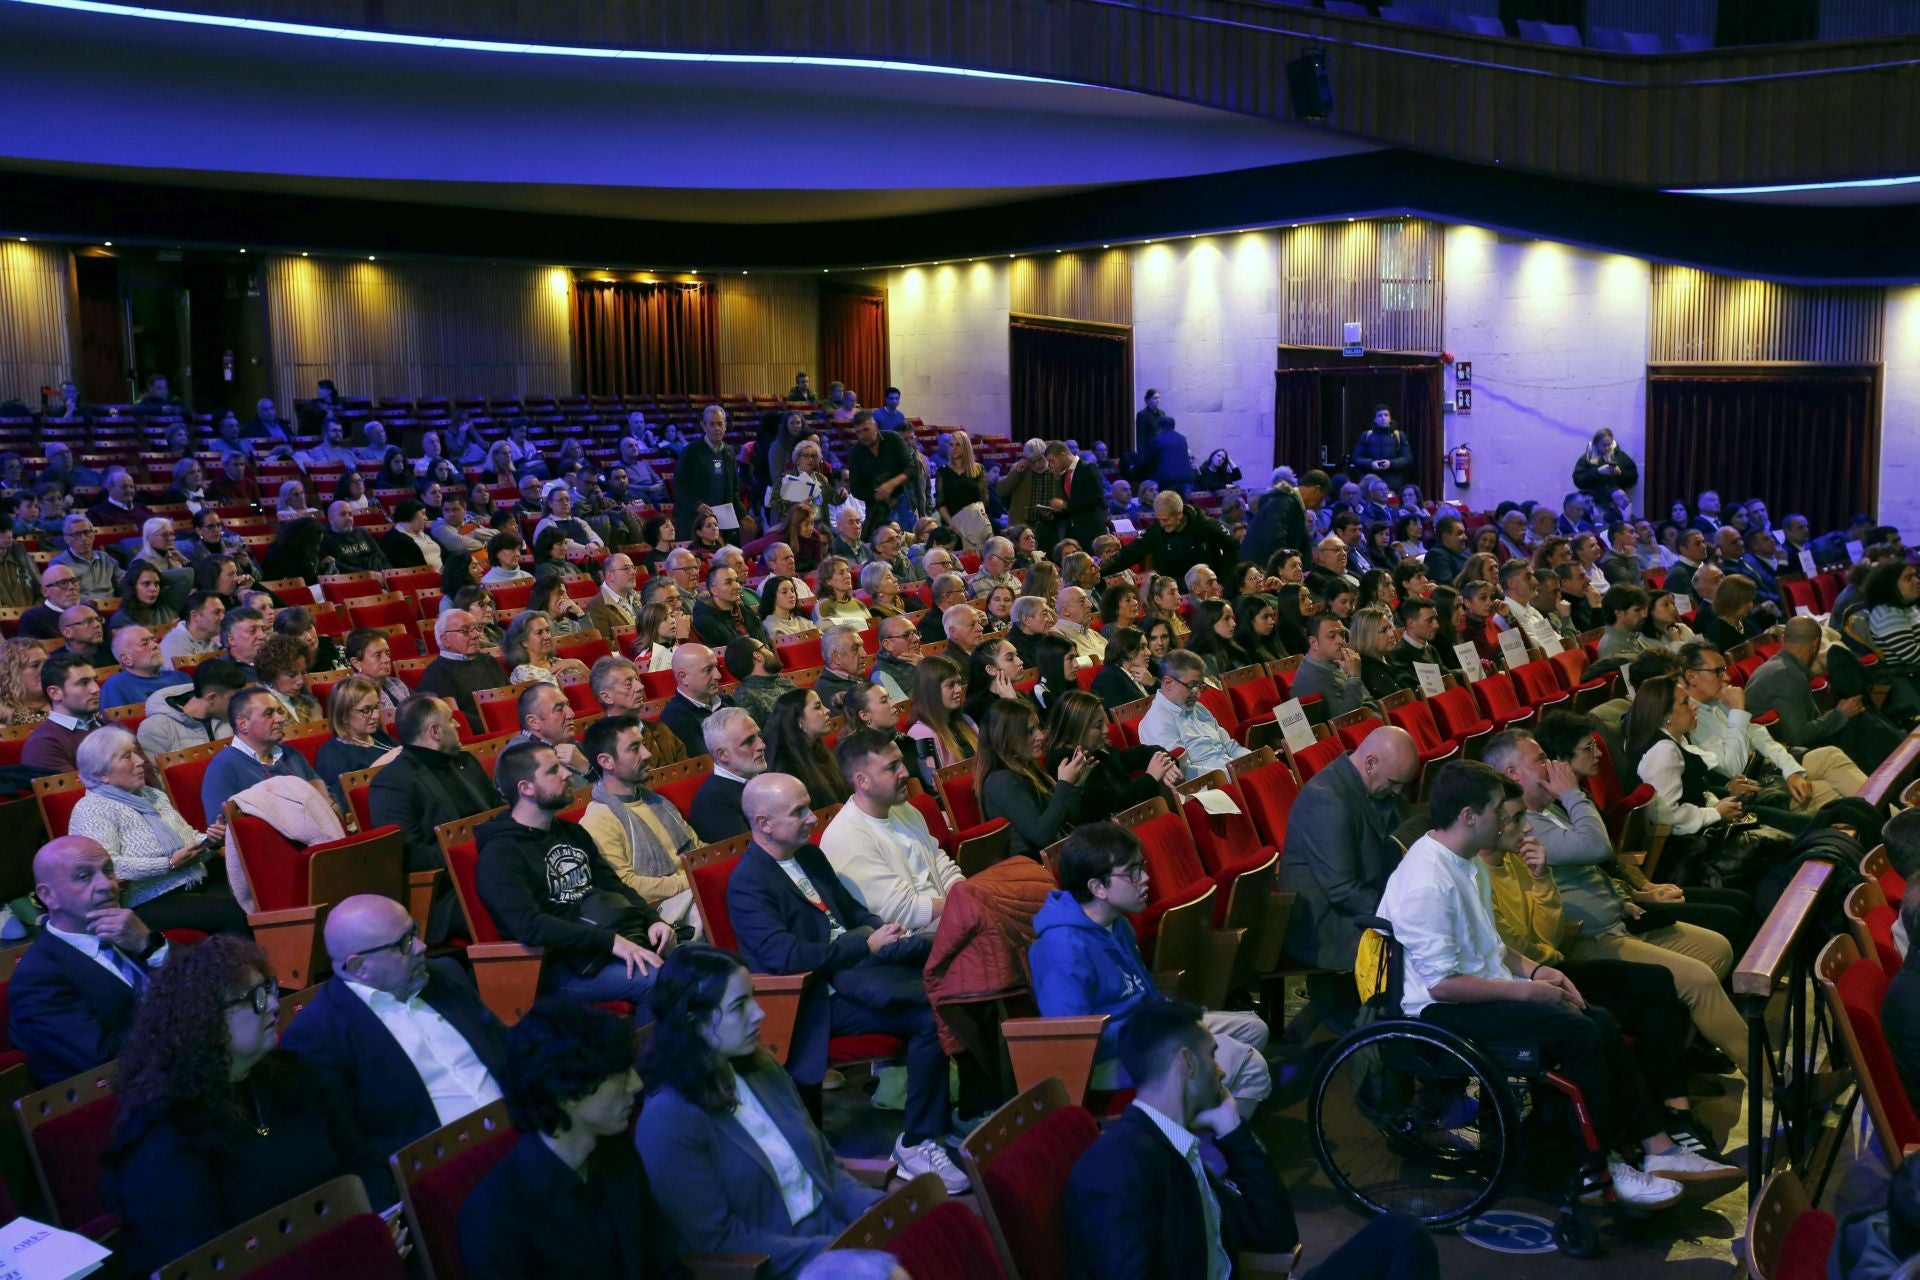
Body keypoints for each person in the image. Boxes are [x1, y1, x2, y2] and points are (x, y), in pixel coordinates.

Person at [1379, 761, 1700, 1207]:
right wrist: (1525, 990)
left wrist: (1535, 970)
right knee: (1579, 1031)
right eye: (1498, 811)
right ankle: (1594, 1167)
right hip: (1441, 1012)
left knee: (1599, 1017)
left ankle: (1658, 1146)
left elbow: (1490, 944)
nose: (1510, 820)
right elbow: (1443, 986)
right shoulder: (1426, 881)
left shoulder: (1461, 861)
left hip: (1478, 985)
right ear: (1470, 815)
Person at [1065, 992, 1435, 1280]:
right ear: (1188, 1064)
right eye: (1212, 1056)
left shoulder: (1179, 1147)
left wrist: (1233, 1131)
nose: (1222, 1070)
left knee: (1401, 1235)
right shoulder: (1117, 1165)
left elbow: (1276, 1234)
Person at [725, 773, 967, 1189]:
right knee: (929, 1014)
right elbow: (784, 957)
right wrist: (864, 945)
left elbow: (854, 913)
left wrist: (882, 932)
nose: (811, 819)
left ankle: (928, 1131)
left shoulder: (809, 856)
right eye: (798, 811)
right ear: (764, 823)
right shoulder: (748, 883)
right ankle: (918, 1141)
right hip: (814, 996)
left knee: (955, 973)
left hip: (860, 971)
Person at [102, 934, 396, 1278]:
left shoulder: (292, 1075)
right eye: (255, 997)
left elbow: (361, 1162)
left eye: (269, 988)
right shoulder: (166, 1132)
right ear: (207, 1019)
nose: (273, 1004)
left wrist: (382, 1221)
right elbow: (203, 1260)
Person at [1484, 726, 1752, 1071]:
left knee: (1718, 948)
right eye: (1541, 760)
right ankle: (1768, 1077)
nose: (1551, 765)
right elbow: (1598, 846)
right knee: (1697, 979)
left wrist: (1628, 894)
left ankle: (1676, 1051)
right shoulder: (1523, 828)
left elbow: (1598, 867)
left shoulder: (1549, 811)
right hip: (1588, 936)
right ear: (1512, 773)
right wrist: (1572, 792)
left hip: (1618, 918)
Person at [635, 947, 885, 1279]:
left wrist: (871, 1209)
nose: (759, 1014)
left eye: (753, 997)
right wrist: (834, 1253)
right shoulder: (669, 1117)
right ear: (694, 1023)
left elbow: (824, 1163)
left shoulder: (761, 1067)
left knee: (944, 1229)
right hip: (778, 1265)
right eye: (739, 1006)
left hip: (837, 1236)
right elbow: (718, 1240)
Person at [1033, 822, 1272, 1111]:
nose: (1145, 878)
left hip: (1148, 1032)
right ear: (1098, 887)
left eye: (1142, 867)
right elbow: (1078, 1043)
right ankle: (1207, 1152)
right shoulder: (1063, 950)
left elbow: (1145, 990)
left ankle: (1199, 1119)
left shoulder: (1116, 922)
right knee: (1249, 1064)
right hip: (1110, 1059)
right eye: (1132, 873)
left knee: (1254, 1030)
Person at [281, 892, 506, 1159]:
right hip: (448, 1167)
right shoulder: (319, 1034)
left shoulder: (445, 975)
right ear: (359, 966)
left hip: (524, 1128)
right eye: (404, 942)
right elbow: (351, 1150)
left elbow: (507, 1048)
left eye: (415, 931)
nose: (421, 946)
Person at [456, 1001, 668, 1280]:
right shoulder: (495, 1216)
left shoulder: (617, 1151)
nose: (636, 1084)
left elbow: (664, 1264)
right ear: (567, 1093)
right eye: (620, 1073)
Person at [477, 741, 676, 1017]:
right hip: (561, 966)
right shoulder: (500, 854)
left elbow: (613, 885)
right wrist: (609, 941)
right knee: (657, 982)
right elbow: (529, 926)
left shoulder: (572, 832)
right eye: (553, 771)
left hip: (606, 943)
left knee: (695, 963)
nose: (567, 774)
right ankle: (650, 1060)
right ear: (526, 788)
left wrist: (653, 920)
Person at [1277, 727, 1419, 1031]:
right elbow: (1342, 891)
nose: (1398, 793)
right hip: (1328, 925)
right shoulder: (1327, 800)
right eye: (1394, 783)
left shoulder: (1375, 787)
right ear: (1370, 764)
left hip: (1362, 902)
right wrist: (1403, 912)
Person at [10, 835, 178, 1084]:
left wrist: (147, 944)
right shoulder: (37, 980)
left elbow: (205, 978)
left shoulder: (128, 930)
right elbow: (110, 1059)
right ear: (48, 896)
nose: (107, 885)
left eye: (108, 871)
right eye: (84, 876)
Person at [1678, 640, 1865, 815]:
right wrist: (1738, 711)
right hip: (1752, 789)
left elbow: (1761, 737)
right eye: (1718, 671)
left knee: (1831, 755)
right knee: (1836, 792)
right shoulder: (1688, 718)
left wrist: (1791, 770)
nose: (1726, 677)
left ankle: (1891, 820)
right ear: (1692, 676)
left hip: (1767, 768)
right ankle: (1889, 828)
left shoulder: (1717, 701)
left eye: (1725, 669)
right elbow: (1733, 769)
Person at [819, 729, 965, 933]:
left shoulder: (902, 808)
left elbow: (940, 863)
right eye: (892, 767)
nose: (905, 772)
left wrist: (964, 895)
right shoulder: (845, 837)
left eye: (901, 762)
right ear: (862, 781)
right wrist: (964, 907)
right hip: (910, 940)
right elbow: (902, 911)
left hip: (947, 917)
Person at [578, 715, 700, 932]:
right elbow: (627, 885)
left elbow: (697, 847)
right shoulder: (598, 820)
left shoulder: (656, 799)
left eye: (642, 744)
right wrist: (691, 879)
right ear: (606, 761)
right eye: (634, 748)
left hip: (691, 890)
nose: (647, 754)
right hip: (657, 913)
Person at [1745, 615, 1900, 773]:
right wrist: (1840, 714)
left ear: (1783, 640)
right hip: (1790, 760)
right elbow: (1798, 736)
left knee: (1864, 721)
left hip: (1783, 752)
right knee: (1864, 725)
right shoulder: (1787, 674)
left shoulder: (1779, 667)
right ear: (1816, 644)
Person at [973, 697, 1088, 859]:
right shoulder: (1001, 781)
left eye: (1038, 727)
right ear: (1008, 738)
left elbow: (1067, 820)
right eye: (1029, 731)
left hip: (1058, 853)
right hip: (1034, 865)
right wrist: (1063, 785)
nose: (1040, 736)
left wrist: (1075, 785)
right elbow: (1042, 835)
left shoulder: (1027, 767)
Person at [199, 687, 322, 819]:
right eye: (269, 714)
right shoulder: (222, 768)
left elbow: (327, 797)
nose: (280, 719)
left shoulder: (291, 753)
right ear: (243, 724)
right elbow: (224, 830)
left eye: (279, 711)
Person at [1136, 648, 1249, 779]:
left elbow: (1230, 747)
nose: (1198, 694)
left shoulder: (1198, 708)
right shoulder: (1157, 721)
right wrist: (1234, 773)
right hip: (1209, 788)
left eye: (1199, 686)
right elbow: (1184, 774)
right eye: (1192, 686)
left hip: (1232, 774)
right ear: (1168, 683)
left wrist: (1256, 761)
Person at [1101, 492, 1239, 590]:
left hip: (1206, 588)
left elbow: (1233, 546)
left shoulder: (1206, 526)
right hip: (1171, 590)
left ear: (1179, 514)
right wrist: (1100, 570)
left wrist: (1223, 579)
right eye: (1159, 519)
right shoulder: (1155, 532)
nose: (1162, 524)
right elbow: (1128, 554)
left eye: (1165, 520)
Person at [313, 675, 398, 807]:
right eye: (366, 710)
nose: (375, 715)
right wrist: (380, 765)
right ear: (343, 714)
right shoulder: (331, 754)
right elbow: (345, 805)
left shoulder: (379, 737)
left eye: (376, 707)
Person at [417, 609, 512, 727]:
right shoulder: (436, 674)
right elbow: (455, 720)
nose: (476, 635)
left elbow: (510, 696)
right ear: (445, 640)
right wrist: (497, 721)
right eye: (466, 630)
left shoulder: (489, 661)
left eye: (475, 629)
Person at [138, 658, 243, 760]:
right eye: (234, 699)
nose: (239, 705)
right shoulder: (155, 729)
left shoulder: (233, 718)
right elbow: (156, 776)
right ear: (212, 698)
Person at [690, 707, 768, 842]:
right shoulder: (712, 802)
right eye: (749, 742)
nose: (761, 746)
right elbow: (745, 855)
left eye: (758, 736)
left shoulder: (767, 777)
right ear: (723, 755)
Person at [21, 650, 103, 776]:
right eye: (84, 683)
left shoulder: (111, 726)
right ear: (55, 693)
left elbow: (143, 774)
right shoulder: (43, 746)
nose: (96, 689)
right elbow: (77, 793)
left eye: (94, 681)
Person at [660, 642, 735, 758]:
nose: (718, 675)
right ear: (683, 677)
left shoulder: (727, 701)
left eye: (716, 666)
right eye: (708, 669)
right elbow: (709, 763)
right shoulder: (675, 717)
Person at [1289, 612, 1367, 716]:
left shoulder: (1335, 661)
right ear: (1314, 643)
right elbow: (1346, 718)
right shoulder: (1313, 678)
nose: (1341, 641)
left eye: (1342, 634)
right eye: (1332, 636)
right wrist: (1354, 677)